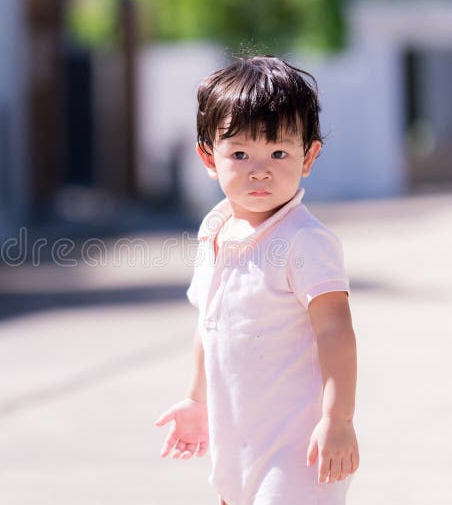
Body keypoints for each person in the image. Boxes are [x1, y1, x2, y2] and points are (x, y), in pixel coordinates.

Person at [154, 55, 360, 505]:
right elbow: (209, 327)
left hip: (300, 453)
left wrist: (339, 419)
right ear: (209, 157)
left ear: (309, 156)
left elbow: (335, 329)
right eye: (240, 153)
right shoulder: (215, 229)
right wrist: (196, 400)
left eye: (279, 152)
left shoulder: (305, 240)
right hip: (236, 448)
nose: (260, 169)